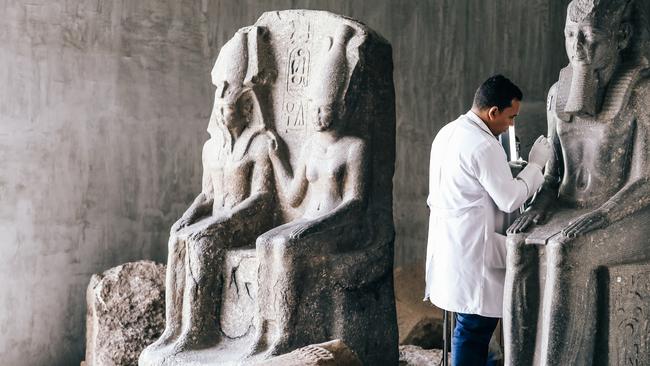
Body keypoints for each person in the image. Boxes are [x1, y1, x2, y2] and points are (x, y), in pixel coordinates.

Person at [424, 75, 552, 365]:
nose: (510, 125)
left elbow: (469, 181)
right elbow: (509, 199)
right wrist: (535, 165)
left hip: (452, 244)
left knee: (469, 324)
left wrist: (506, 169)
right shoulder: (485, 145)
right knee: (474, 328)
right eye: (510, 117)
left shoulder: (448, 132)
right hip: (472, 251)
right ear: (493, 112)